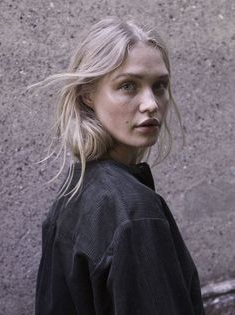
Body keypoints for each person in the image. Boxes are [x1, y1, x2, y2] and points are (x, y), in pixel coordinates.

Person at [35, 17, 205, 315]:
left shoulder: (77, 190)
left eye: (160, 86)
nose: (151, 103)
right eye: (128, 86)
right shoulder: (132, 212)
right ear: (88, 94)